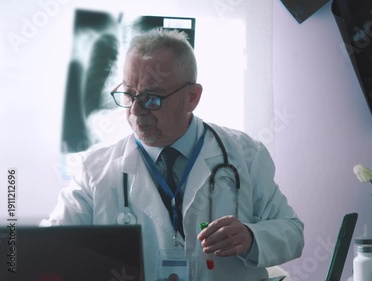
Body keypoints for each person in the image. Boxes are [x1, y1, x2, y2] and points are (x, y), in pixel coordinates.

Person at [41, 28, 304, 281]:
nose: (135, 111)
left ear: (192, 97)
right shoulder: (95, 171)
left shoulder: (245, 154)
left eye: (152, 98)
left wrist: (250, 237)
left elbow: (292, 233)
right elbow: (48, 247)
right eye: (129, 95)